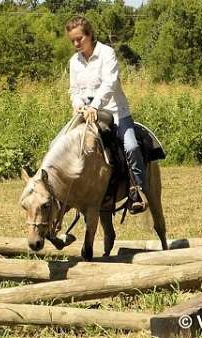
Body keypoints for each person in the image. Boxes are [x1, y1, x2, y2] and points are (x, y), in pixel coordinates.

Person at [65, 15, 147, 214]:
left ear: (90, 35)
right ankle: (70, 193)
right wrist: (79, 106)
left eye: (80, 39)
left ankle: (138, 191)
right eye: (73, 40)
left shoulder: (107, 53)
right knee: (61, 144)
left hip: (115, 112)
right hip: (87, 115)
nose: (76, 43)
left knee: (131, 146)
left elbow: (109, 83)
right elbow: (74, 90)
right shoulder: (74, 62)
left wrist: (94, 105)